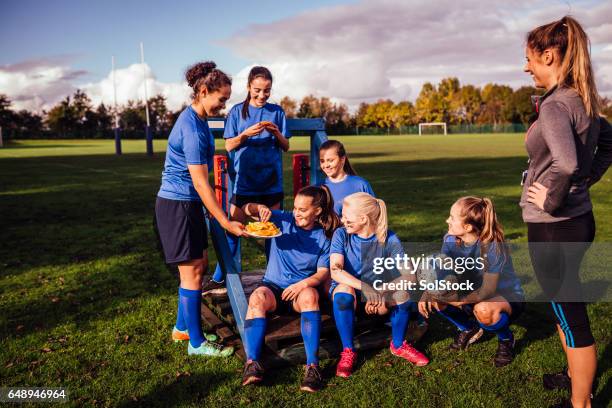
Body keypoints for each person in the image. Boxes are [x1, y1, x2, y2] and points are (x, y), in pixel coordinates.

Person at [521, 15, 612, 408]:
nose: (526, 67)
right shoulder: (583, 100)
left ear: (549, 54)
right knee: (564, 305)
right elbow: (607, 143)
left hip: (555, 225)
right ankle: (578, 377)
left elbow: (568, 164)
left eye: (529, 59)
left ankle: (581, 402)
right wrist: (586, 182)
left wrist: (554, 197)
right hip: (576, 222)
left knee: (569, 312)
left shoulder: (557, 105)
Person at [155, 61, 246, 356]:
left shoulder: (200, 120)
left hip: (188, 204)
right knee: (192, 273)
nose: (223, 105)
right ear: (204, 91)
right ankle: (195, 342)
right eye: (221, 99)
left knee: (199, 266)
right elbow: (201, 184)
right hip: (178, 204)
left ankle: (183, 328)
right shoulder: (192, 128)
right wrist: (224, 220)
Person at [240, 185, 340, 392]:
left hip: (300, 291)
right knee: (257, 298)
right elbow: (244, 209)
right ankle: (252, 363)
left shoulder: (324, 236)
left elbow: (322, 273)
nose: (296, 213)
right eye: (295, 207)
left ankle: (312, 367)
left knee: (311, 295)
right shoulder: (282, 219)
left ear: (317, 212)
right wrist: (258, 208)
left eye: (302, 210)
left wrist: (302, 284)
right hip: (273, 287)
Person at [204, 66, 290, 293]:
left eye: (267, 91)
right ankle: (221, 279)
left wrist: (276, 133)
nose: (262, 95)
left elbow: (286, 146)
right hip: (244, 183)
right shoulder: (236, 112)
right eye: (257, 90)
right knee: (234, 230)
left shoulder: (278, 112)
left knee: (272, 233)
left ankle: (274, 279)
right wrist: (245, 135)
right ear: (248, 87)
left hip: (271, 182)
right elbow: (229, 145)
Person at [331, 192, 429, 378]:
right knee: (344, 291)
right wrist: (365, 288)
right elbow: (336, 271)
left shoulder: (388, 238)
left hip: (378, 294)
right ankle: (348, 350)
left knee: (404, 293)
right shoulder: (341, 235)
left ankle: (398, 345)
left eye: (346, 217)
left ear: (363, 218)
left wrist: (381, 291)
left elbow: (409, 275)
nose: (342, 220)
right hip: (351, 292)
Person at [418, 197, 525, 368]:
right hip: (474, 290)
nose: (447, 220)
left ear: (467, 227)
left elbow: (487, 291)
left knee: (483, 309)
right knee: (436, 300)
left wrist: (458, 301)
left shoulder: (491, 247)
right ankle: (468, 328)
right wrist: (429, 292)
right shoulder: (450, 239)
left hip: (506, 296)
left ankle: (506, 339)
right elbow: (444, 270)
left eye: (452, 218)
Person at [320, 140, 374, 216]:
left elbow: (373, 214)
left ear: (342, 159)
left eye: (330, 160)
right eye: (322, 161)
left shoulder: (360, 185)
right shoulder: (318, 187)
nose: (326, 165)